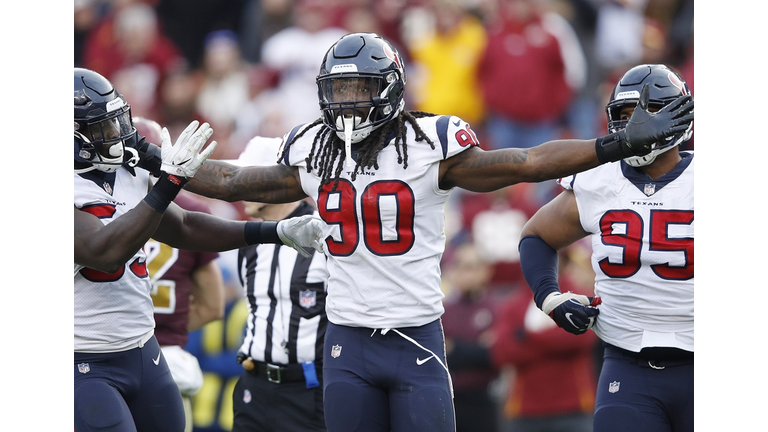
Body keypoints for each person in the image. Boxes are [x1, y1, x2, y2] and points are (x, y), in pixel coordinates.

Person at [180, 33, 693, 432]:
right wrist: (161, 162)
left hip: (414, 337)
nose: (349, 102)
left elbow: (527, 161)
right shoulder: (315, 150)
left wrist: (609, 146)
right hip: (346, 341)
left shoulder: (428, 145)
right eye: (339, 90)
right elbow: (234, 182)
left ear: (389, 90)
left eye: (360, 89)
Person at [73, 67, 324, 432]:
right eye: (102, 128)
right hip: (83, 357)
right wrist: (170, 182)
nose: (118, 134)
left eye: (117, 120)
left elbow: (186, 227)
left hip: (142, 349)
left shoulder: (125, 170)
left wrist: (276, 232)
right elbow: (104, 250)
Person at [516, 64, 694, 432]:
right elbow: (536, 236)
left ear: (676, 116)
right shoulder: (602, 179)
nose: (632, 129)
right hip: (627, 364)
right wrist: (550, 297)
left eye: (643, 116)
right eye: (624, 117)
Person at [228, 136, 329, 432]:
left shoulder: (324, 233)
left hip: (308, 389)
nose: (238, 187)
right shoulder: (247, 239)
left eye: (247, 178)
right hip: (253, 387)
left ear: (277, 181)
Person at [134, 116, 227, 432]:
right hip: (168, 358)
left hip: (104, 357)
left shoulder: (95, 205)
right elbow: (212, 306)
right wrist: (169, 330)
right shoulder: (193, 211)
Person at [491, 244, 599, 432]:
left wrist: (527, 337)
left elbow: (583, 338)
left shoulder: (578, 295)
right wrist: (557, 338)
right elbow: (502, 352)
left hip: (574, 407)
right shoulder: (514, 304)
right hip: (525, 410)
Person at [441, 242, 500, 432]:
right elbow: (437, 353)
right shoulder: (443, 310)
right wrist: (474, 348)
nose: (465, 273)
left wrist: (455, 347)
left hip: (485, 399)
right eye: (459, 266)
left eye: (471, 267)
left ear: (485, 270)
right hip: (449, 399)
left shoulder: (496, 308)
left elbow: (493, 354)